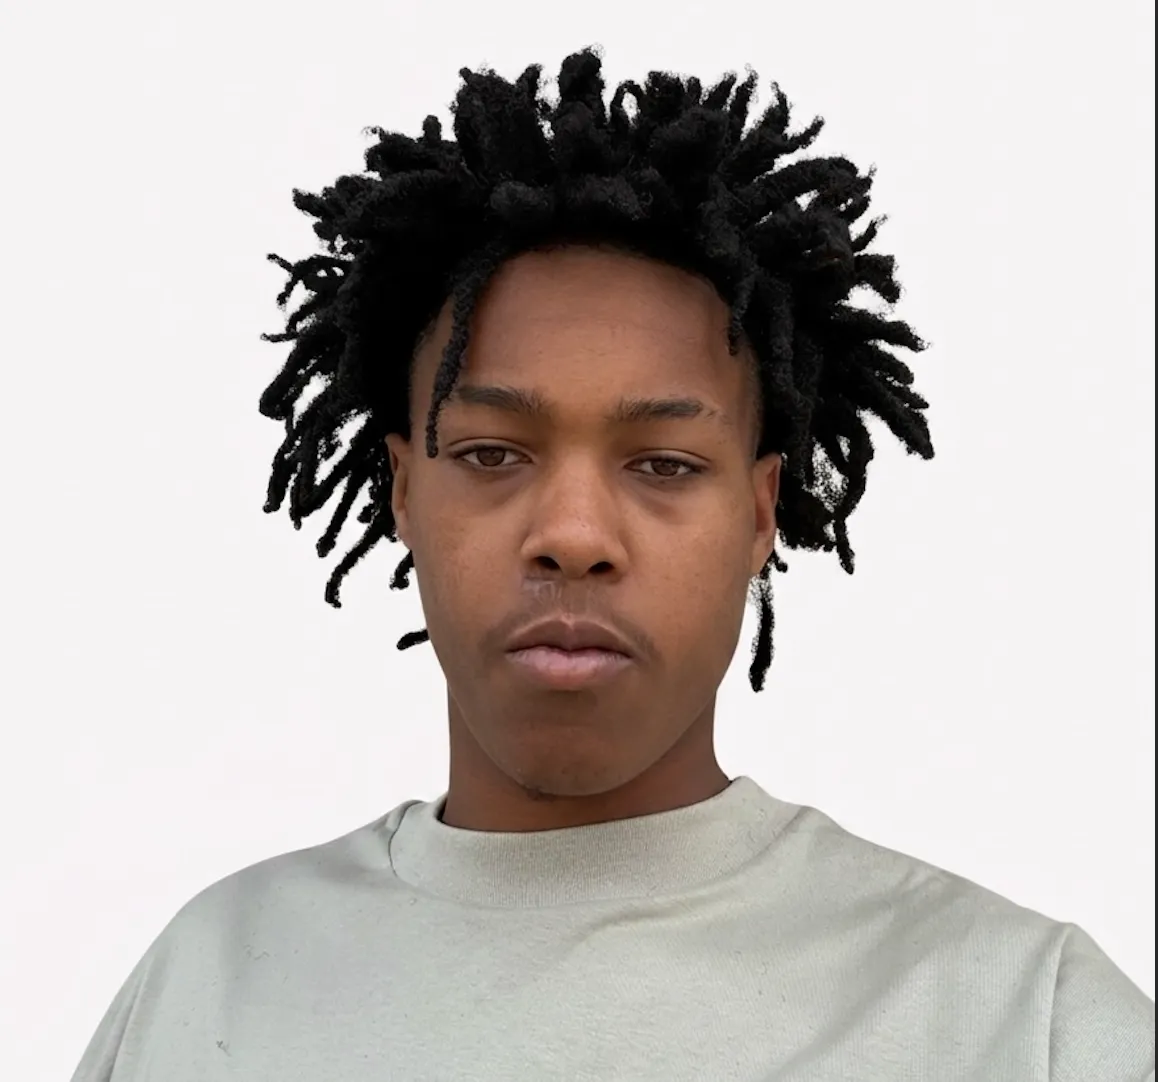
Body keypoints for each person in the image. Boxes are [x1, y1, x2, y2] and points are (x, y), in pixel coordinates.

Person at [71, 47, 1154, 1081]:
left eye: (665, 463)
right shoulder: (209, 984)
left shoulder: (1024, 1021)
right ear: (404, 490)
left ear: (760, 512)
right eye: (491, 453)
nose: (574, 533)